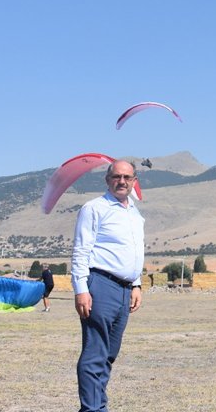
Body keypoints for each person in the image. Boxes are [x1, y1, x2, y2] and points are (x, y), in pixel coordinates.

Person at [72, 160, 146, 412]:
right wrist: (81, 289)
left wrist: (136, 284)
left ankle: (98, 406)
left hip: (125, 290)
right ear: (107, 180)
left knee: (109, 354)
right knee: (95, 353)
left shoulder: (135, 213)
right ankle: (93, 409)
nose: (122, 181)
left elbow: (134, 252)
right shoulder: (94, 208)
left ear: (134, 181)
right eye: (116, 177)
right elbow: (81, 251)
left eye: (127, 177)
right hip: (101, 285)